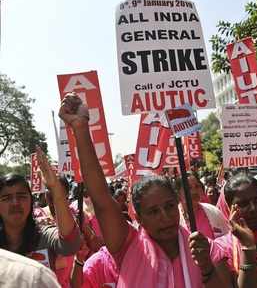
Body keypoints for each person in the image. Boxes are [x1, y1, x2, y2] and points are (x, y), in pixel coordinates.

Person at [59, 93, 232, 287]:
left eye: (169, 206)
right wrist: (81, 129)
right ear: (138, 218)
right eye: (153, 212)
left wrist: (207, 267)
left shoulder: (204, 248)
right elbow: (102, 200)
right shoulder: (127, 246)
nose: (165, 217)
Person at [0, 148, 81, 272]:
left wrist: (56, 189)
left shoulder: (43, 236)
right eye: (6, 198)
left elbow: (70, 245)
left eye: (21, 196)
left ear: (32, 201)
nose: (15, 203)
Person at [175, 173, 229, 239]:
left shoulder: (214, 212)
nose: (194, 191)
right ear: (178, 193)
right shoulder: (174, 218)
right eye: (189, 188)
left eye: (197, 186)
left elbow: (226, 240)